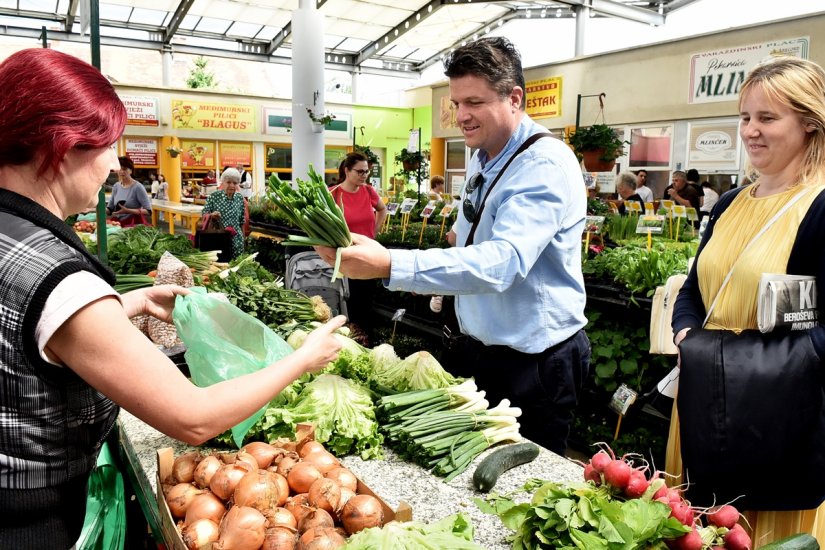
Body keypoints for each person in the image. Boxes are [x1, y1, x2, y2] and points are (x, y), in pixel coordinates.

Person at [0, 48, 346, 549]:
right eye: (106, 148)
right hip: (24, 522)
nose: (111, 168)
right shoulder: (61, 277)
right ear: (63, 147)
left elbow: (26, 324)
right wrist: (300, 359)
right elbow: (193, 416)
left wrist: (132, 302)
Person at [316, 37, 590, 456]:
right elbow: (471, 237)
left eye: (474, 102)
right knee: (477, 472)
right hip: (482, 349)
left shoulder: (543, 164)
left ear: (514, 97)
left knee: (529, 483)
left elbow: (504, 263)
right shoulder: (484, 155)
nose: (461, 116)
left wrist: (389, 263)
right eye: (457, 103)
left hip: (535, 363)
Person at [671, 56, 825, 542]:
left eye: (767, 117)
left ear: (809, 123)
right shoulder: (730, 203)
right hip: (704, 395)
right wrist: (686, 330)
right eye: (745, 117)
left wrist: (744, 361)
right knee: (694, 528)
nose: (750, 131)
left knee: (754, 534)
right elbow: (696, 285)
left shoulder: (819, 207)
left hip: (772, 410)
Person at [330, 152, 389, 332]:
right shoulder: (333, 193)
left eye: (366, 172)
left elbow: (382, 209)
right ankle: (351, 335)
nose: (364, 175)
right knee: (349, 300)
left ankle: (366, 339)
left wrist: (374, 232)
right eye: (360, 172)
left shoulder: (368, 191)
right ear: (347, 171)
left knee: (367, 301)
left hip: (368, 255)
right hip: (346, 256)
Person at [202, 168, 246, 259]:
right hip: (218, 237)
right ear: (223, 182)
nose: (232, 185)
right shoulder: (214, 196)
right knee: (220, 265)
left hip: (236, 240)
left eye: (234, 183)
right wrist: (212, 215)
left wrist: (243, 240)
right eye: (229, 182)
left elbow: (242, 221)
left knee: (236, 267)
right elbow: (204, 212)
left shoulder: (239, 198)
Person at [106, 155, 152, 226]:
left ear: (131, 171)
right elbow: (110, 209)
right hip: (118, 223)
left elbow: (148, 211)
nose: (121, 172)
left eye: (124, 169)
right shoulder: (116, 186)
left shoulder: (138, 187)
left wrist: (127, 211)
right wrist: (96, 208)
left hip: (133, 224)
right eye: (119, 169)